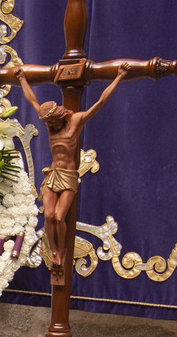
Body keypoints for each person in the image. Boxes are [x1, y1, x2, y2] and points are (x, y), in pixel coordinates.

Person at [10, 62, 132, 284]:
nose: (48, 124)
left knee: (59, 216)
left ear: (58, 116)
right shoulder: (50, 125)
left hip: (68, 177)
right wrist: (21, 79)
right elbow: (32, 100)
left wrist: (119, 77)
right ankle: (55, 250)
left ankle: (60, 251)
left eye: (50, 120)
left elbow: (101, 102)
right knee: (47, 216)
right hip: (52, 174)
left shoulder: (75, 121)